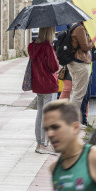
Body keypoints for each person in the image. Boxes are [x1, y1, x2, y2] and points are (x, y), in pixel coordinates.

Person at [29, 26, 60, 154]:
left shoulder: (32, 46)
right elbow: (54, 67)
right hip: (49, 83)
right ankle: (43, 144)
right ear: (49, 32)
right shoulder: (47, 47)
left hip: (38, 84)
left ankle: (39, 143)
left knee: (40, 113)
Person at [67, 22, 93, 121]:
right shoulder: (80, 28)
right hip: (80, 63)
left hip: (75, 63)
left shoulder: (74, 26)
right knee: (78, 95)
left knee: (75, 93)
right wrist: (93, 41)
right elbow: (85, 47)